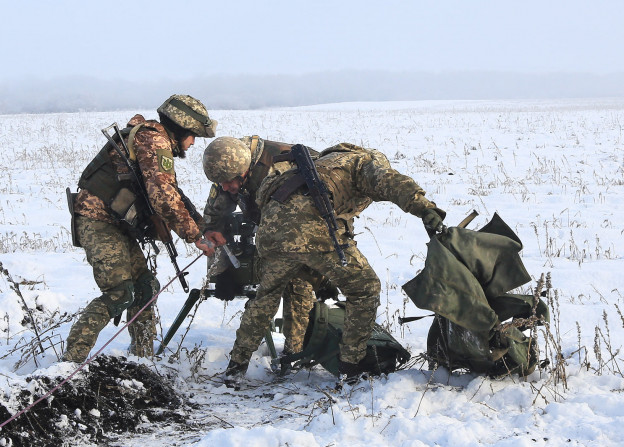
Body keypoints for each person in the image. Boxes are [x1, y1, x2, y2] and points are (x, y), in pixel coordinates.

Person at [223, 142, 445, 386]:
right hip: (312, 230)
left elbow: (266, 190)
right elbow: (390, 182)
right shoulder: (362, 163)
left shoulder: (317, 165)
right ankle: (350, 369)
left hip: (272, 233)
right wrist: (425, 209)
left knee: (265, 299)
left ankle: (236, 366)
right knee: (364, 288)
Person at [62, 95, 217, 362]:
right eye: (192, 136)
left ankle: (142, 358)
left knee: (145, 287)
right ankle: (72, 361)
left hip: (117, 223)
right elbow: (162, 196)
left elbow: (172, 193)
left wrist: (202, 225)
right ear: (180, 128)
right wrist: (194, 236)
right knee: (120, 292)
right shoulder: (154, 140)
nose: (192, 143)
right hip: (98, 222)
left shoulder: (154, 141)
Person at [202, 136, 334, 356]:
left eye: (228, 182)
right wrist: (221, 271)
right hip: (276, 225)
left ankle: (294, 352)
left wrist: (321, 272)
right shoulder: (227, 166)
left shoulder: (281, 170)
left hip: (306, 225)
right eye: (220, 183)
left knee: (297, 280)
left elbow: (303, 230)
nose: (225, 187)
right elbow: (213, 222)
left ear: (244, 170)